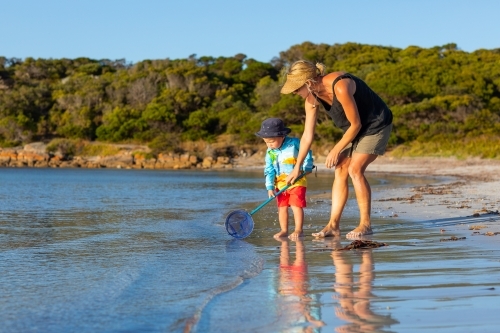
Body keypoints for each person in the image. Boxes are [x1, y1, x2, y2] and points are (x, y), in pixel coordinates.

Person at [280, 60, 393, 239]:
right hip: (353, 130)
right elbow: (307, 135)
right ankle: (333, 226)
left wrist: (335, 149)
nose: (295, 93)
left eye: (296, 89)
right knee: (340, 169)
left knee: (355, 169)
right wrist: (297, 166)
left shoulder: (340, 86)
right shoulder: (311, 99)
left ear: (308, 83)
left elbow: (356, 124)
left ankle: (366, 224)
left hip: (376, 124)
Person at [255, 118, 314, 240]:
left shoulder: (295, 143)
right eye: (266, 142)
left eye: (271, 141)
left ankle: (299, 229)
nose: (269, 145)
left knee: (296, 205)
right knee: (282, 207)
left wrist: (306, 167)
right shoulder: (270, 152)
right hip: (280, 184)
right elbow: (269, 170)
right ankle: (284, 230)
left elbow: (307, 152)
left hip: (297, 180)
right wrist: (270, 187)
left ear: (282, 136)